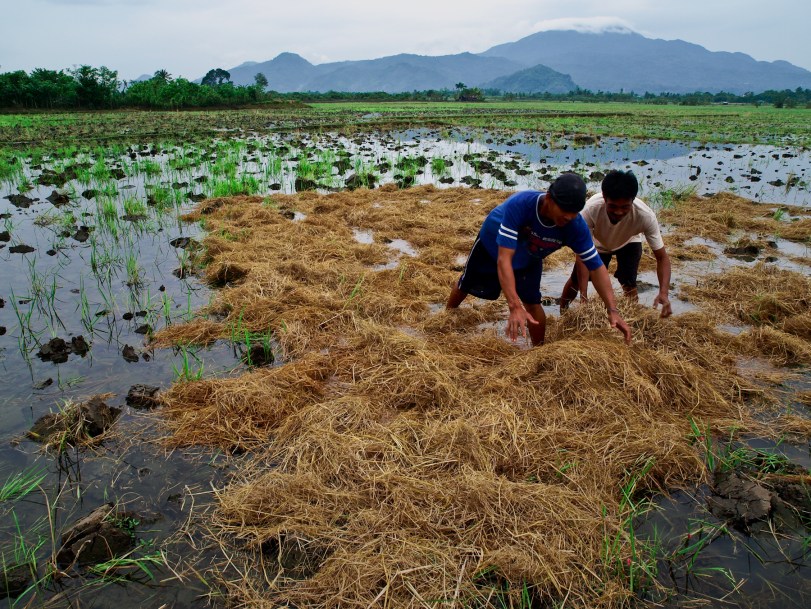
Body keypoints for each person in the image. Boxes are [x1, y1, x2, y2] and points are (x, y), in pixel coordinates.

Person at [446, 173, 632, 346]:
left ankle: (539, 350)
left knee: (533, 302)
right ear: (549, 199)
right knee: (466, 281)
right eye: (565, 210)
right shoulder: (521, 204)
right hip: (493, 242)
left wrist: (612, 310)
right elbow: (504, 259)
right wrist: (514, 306)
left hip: (531, 253)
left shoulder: (575, 226)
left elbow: (597, 267)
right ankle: (446, 318)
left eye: (575, 211)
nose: (569, 216)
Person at [559, 170, 672, 318]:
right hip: (597, 243)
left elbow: (662, 257)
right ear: (605, 198)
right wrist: (584, 298)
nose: (619, 212)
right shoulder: (590, 210)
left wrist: (663, 293)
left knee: (629, 283)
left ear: (633, 200)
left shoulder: (645, 216)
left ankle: (632, 318)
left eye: (625, 207)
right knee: (576, 280)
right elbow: (582, 257)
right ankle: (562, 313)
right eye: (613, 206)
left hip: (629, 240)